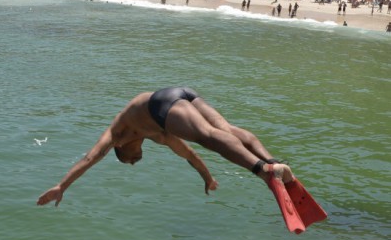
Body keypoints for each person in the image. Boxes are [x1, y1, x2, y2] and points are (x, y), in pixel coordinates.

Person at [37, 86, 292, 206]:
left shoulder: (116, 134)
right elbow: (189, 156)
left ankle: (264, 170)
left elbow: (89, 159)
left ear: (121, 150)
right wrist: (207, 178)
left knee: (208, 135)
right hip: (180, 92)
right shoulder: (159, 136)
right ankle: (273, 163)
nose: (135, 160)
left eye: (129, 160)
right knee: (228, 130)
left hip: (160, 103)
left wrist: (63, 185)